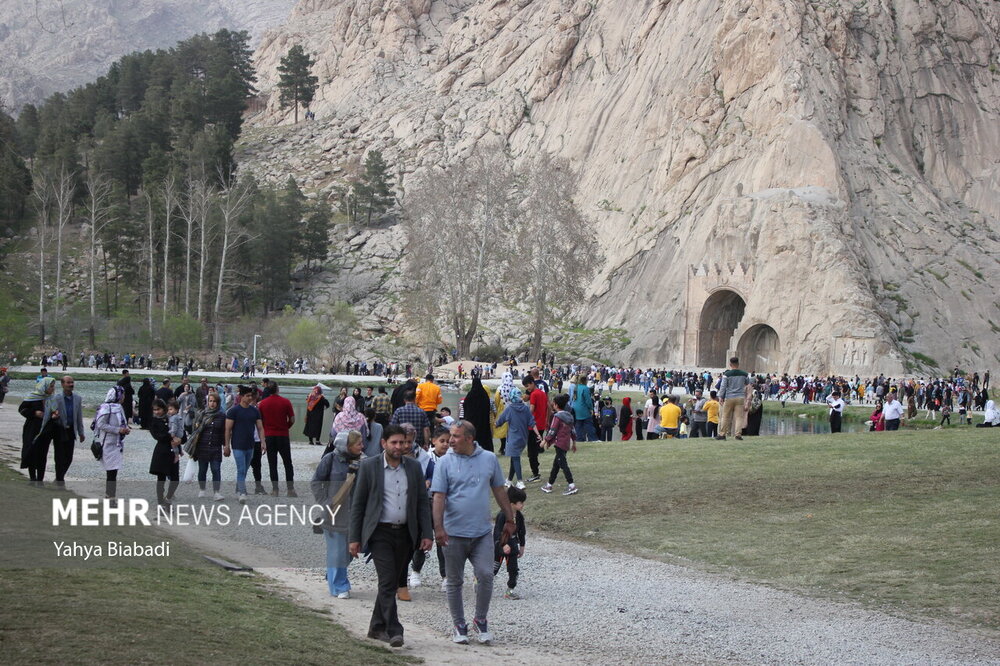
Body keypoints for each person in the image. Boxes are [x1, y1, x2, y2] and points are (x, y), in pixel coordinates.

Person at [431, 420, 517, 645]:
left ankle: (480, 619)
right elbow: (438, 496)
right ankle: (459, 624)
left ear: (469, 439)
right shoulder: (444, 462)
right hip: (453, 533)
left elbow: (499, 489)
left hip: (481, 533)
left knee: (486, 575)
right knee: (454, 581)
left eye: (456, 436)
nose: (450, 440)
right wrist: (438, 527)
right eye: (450, 435)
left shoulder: (488, 458)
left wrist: (510, 518)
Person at [348, 425, 433, 648]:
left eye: (403, 442)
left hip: (405, 533)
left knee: (392, 581)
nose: (399, 446)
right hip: (379, 533)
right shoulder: (369, 466)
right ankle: (395, 629)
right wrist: (354, 538)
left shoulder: (414, 467)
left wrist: (427, 533)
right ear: (383, 443)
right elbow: (358, 504)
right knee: (387, 581)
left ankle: (376, 627)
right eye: (394, 442)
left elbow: (422, 503)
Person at [312, 430, 364, 599]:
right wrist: (325, 502)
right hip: (333, 514)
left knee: (350, 551)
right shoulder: (330, 459)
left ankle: (333, 573)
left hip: (355, 515)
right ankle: (340, 586)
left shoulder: (365, 461)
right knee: (337, 551)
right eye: (358, 444)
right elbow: (316, 482)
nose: (362, 446)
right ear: (347, 446)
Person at [34, 375, 85, 489]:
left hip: (71, 429)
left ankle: (59, 478)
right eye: (68, 383)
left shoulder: (77, 398)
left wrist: (81, 432)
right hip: (59, 430)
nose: (71, 385)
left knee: (69, 457)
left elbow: (79, 416)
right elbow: (48, 414)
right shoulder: (55, 398)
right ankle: (60, 481)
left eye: (72, 382)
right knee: (60, 456)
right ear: (62, 384)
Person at [225, 386, 266, 504]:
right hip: (237, 444)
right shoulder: (233, 411)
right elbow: (228, 429)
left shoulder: (254, 411)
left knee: (245, 468)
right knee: (241, 469)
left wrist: (263, 442)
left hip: (250, 445)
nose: (250, 398)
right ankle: (242, 493)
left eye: (251, 396)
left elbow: (260, 428)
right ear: (241, 397)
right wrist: (226, 445)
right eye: (247, 396)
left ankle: (239, 488)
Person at [258, 382, 297, 497]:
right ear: (277, 389)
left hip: (269, 435)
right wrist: (286, 426)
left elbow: (260, 421)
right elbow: (292, 419)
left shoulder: (262, 404)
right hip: (283, 435)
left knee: (272, 463)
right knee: (287, 463)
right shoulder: (286, 402)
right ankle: (290, 489)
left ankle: (275, 490)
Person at [94, 386, 130, 501]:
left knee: (113, 470)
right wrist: (117, 430)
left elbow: (121, 422)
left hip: (117, 443)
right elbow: (100, 424)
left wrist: (125, 429)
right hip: (108, 443)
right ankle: (110, 496)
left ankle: (110, 495)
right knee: (111, 471)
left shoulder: (119, 407)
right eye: (122, 394)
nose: (124, 397)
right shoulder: (106, 408)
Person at [189, 393, 227, 500]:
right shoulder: (202, 414)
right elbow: (195, 430)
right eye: (210, 401)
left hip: (215, 446)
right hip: (202, 446)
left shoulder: (222, 416)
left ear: (218, 403)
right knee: (202, 470)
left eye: (214, 401)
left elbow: (224, 432)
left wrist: (226, 445)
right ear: (207, 402)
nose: (212, 403)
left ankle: (216, 492)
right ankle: (202, 489)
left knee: (216, 469)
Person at [495, 386, 535, 489]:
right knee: (514, 457)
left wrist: (493, 425)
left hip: (513, 438)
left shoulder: (510, 409)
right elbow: (532, 422)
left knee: (516, 458)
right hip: (523, 438)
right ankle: (508, 480)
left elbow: (500, 421)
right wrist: (539, 435)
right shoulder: (526, 408)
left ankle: (520, 481)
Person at [19, 377, 56, 485]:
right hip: (32, 429)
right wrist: (34, 413)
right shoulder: (32, 397)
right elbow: (22, 410)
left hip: (46, 430)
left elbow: (54, 411)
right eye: (51, 386)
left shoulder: (51, 399)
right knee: (31, 451)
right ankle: (32, 478)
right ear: (44, 386)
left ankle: (40, 479)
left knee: (42, 454)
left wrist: (55, 415)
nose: (53, 389)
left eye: (53, 386)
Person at [493, 486, 527, 600]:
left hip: (512, 545)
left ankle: (510, 590)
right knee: (493, 568)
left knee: (513, 569)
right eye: (520, 502)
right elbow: (497, 532)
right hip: (500, 545)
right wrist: (502, 544)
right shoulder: (502, 515)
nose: (522, 505)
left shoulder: (519, 517)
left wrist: (522, 546)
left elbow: (521, 532)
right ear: (511, 503)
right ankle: (480, 580)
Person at [541, 393, 578, 495]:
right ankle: (549, 484)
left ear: (556, 405)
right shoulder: (569, 416)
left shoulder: (557, 417)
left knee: (563, 464)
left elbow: (552, 430)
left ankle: (571, 485)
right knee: (556, 465)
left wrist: (545, 441)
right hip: (565, 444)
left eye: (553, 403)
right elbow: (573, 431)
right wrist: (574, 443)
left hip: (559, 444)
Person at [149, 399, 180, 508]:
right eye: (154, 410)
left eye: (159, 409)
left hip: (173, 452)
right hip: (162, 452)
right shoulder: (153, 422)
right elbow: (158, 436)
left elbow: (181, 433)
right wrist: (172, 437)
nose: (157, 412)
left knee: (175, 479)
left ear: (164, 408)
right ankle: (160, 501)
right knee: (161, 479)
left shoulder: (172, 418)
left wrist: (180, 440)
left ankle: (168, 498)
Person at [716, 357, 751, 441]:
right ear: (738, 364)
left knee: (725, 416)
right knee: (739, 417)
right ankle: (738, 434)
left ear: (730, 364)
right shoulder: (744, 374)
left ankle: (722, 434)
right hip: (740, 397)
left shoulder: (727, 374)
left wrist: (721, 396)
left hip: (729, 397)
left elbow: (723, 386)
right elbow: (747, 383)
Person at [523, 376, 547, 481]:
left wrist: (524, 418)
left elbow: (531, 410)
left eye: (528, 386)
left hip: (533, 426)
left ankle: (535, 474)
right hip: (541, 425)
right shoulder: (543, 393)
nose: (527, 388)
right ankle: (536, 470)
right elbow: (548, 407)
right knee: (536, 449)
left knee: (531, 451)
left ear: (532, 383)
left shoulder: (533, 394)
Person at [462, 373, 494, 453]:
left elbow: (465, 406)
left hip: (472, 422)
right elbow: (488, 406)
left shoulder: (470, 395)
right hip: (483, 421)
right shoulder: (484, 395)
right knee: (484, 437)